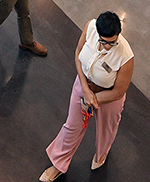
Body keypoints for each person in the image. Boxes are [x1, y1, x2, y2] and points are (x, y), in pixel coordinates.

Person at [39, 12, 135, 181]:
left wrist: (93, 100)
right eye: (104, 42)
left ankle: (101, 154)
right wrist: (84, 88)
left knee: (106, 131)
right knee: (72, 127)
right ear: (97, 33)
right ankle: (58, 165)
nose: (107, 46)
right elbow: (78, 53)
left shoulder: (126, 56)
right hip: (84, 86)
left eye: (112, 42)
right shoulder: (90, 27)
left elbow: (119, 91)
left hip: (109, 98)